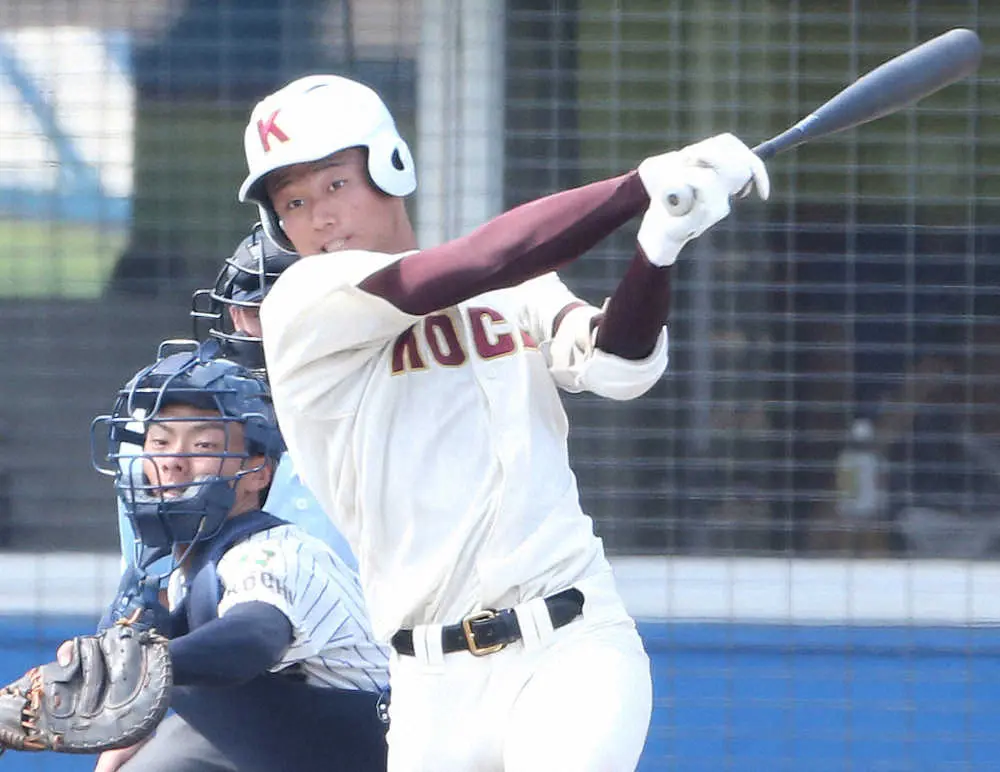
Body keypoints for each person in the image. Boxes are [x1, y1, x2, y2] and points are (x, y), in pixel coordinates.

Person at [238, 73, 769, 770]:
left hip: (570, 641)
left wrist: (658, 248)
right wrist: (639, 184)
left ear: (390, 165)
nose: (319, 218)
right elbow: (480, 260)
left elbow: (619, 366)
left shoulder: (513, 293)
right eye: (294, 202)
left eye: (335, 184)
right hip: (431, 683)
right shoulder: (303, 304)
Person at [91, 348, 390, 771]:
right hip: (275, 745)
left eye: (203, 444)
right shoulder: (170, 561)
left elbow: (253, 637)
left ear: (257, 472)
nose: (173, 461)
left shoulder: (275, 552)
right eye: (159, 441)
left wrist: (148, 665)